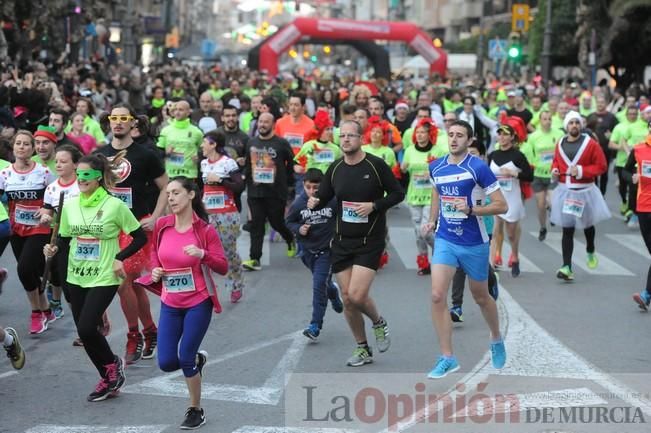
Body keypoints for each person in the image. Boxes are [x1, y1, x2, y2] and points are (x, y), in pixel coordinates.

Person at [43, 151, 147, 402]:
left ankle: (111, 366)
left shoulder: (114, 206)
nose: (81, 179)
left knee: (89, 327)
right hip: (76, 274)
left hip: (104, 275)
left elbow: (140, 237)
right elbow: (65, 241)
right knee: (84, 330)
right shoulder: (69, 205)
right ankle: (108, 374)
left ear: (99, 177)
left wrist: (119, 257)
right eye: (78, 174)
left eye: (86, 175)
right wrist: (53, 250)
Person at [307, 120, 404, 367]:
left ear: (361, 138)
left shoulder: (375, 165)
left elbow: (397, 193)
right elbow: (325, 194)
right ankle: (363, 348)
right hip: (341, 241)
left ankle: (378, 322)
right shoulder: (336, 167)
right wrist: (313, 201)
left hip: (369, 240)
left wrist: (374, 206)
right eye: (343, 136)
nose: (346, 139)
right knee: (348, 300)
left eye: (351, 135)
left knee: (356, 295)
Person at [421, 120, 508, 379]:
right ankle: (448, 357)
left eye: (460, 135)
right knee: (437, 296)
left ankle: (495, 337)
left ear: (469, 141)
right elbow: (436, 193)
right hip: (446, 239)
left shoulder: (478, 168)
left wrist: (471, 210)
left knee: (480, 296)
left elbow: (501, 206)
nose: (454, 139)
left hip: (475, 241)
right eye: (451, 135)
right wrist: (433, 219)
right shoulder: (436, 167)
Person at [147, 177, 228, 429]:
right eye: (168, 193)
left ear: (191, 195)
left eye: (176, 193)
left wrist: (203, 254)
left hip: (198, 302)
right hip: (171, 302)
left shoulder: (204, 230)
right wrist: (155, 270)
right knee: (166, 362)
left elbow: (223, 266)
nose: (170, 198)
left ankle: (195, 409)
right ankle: (197, 362)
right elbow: (154, 253)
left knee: (184, 358)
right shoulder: (162, 225)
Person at [97, 103, 169, 364]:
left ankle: (133, 335)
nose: (118, 123)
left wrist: (157, 216)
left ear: (132, 123)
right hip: (107, 227)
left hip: (135, 227)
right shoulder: (100, 155)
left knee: (123, 280)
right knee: (133, 283)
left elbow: (166, 186)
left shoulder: (145, 155)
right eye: (113, 118)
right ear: (108, 122)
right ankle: (150, 330)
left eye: (123, 118)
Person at [0, 130, 57, 334]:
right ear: (13, 148)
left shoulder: (43, 172)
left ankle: (36, 313)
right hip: (16, 231)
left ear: (32, 149)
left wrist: (46, 209)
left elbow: (56, 196)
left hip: (39, 229)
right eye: (18, 143)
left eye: (26, 144)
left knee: (24, 269)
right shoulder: (5, 174)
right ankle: (46, 308)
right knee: (30, 272)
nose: (22, 147)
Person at [550, 111, 610, 281]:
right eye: (571, 123)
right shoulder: (560, 142)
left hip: (585, 191)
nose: (574, 125)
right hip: (566, 191)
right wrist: (554, 170)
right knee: (567, 229)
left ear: (580, 125)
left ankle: (590, 249)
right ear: (566, 126)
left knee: (587, 226)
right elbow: (556, 161)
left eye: (577, 122)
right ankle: (566, 266)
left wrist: (582, 171)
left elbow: (602, 166)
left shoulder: (590, 144)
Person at [286, 168, 343, 341]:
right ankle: (333, 292)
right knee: (324, 284)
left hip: (327, 251)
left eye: (316, 187)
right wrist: (299, 229)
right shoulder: (299, 203)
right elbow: (289, 221)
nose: (312, 191)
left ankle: (315, 325)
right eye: (308, 187)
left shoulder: (332, 201)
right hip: (307, 251)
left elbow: (342, 218)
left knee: (318, 285)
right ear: (303, 186)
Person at [242, 112, 297, 271]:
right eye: (260, 121)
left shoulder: (281, 143)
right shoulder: (251, 142)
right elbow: (247, 164)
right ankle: (254, 259)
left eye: (266, 122)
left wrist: (284, 180)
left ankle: (289, 238)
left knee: (276, 222)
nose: (262, 125)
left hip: (276, 191)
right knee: (256, 224)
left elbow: (291, 163)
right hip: (255, 191)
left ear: (273, 124)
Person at [199, 130, 245, 303]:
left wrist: (220, 181)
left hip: (227, 214)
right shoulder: (204, 163)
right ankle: (205, 289)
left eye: (205, 142)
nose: (202, 146)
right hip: (208, 214)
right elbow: (202, 188)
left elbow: (239, 186)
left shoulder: (228, 163)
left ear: (213, 144)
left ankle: (236, 284)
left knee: (227, 252)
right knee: (204, 252)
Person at [400, 118, 447, 275]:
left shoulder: (437, 151)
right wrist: (403, 168)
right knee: (417, 231)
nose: (419, 135)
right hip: (414, 195)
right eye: (417, 133)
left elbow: (444, 170)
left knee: (425, 230)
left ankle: (441, 253)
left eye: (423, 133)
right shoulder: (409, 151)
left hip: (431, 196)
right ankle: (423, 261)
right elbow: (403, 170)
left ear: (430, 134)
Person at [489, 123, 534, 277]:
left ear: (512, 137)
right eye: (500, 134)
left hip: (512, 197)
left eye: (505, 134)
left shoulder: (518, 156)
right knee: (496, 230)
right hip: (496, 197)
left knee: (511, 233)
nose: (502, 137)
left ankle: (515, 256)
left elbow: (529, 176)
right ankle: (494, 258)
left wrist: (514, 173)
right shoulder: (493, 155)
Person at [523, 110, 564, 241]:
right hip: (538, 174)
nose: (547, 121)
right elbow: (529, 154)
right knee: (540, 204)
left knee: (551, 201)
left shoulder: (559, 134)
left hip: (553, 174)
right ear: (540, 121)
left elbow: (562, 152)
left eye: (549, 119)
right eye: (545, 119)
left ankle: (552, 211)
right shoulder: (533, 136)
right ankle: (542, 227)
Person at [627, 120, 651, 310]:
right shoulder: (638, 149)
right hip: (644, 207)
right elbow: (625, 171)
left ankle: (646, 295)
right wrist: (633, 177)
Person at [157, 100, 204, 180]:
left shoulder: (197, 132)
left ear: (188, 112)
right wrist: (166, 153)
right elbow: (158, 152)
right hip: (171, 174)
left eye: (181, 110)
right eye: (176, 109)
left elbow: (204, 150)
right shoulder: (165, 130)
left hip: (190, 175)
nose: (177, 112)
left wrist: (199, 157)